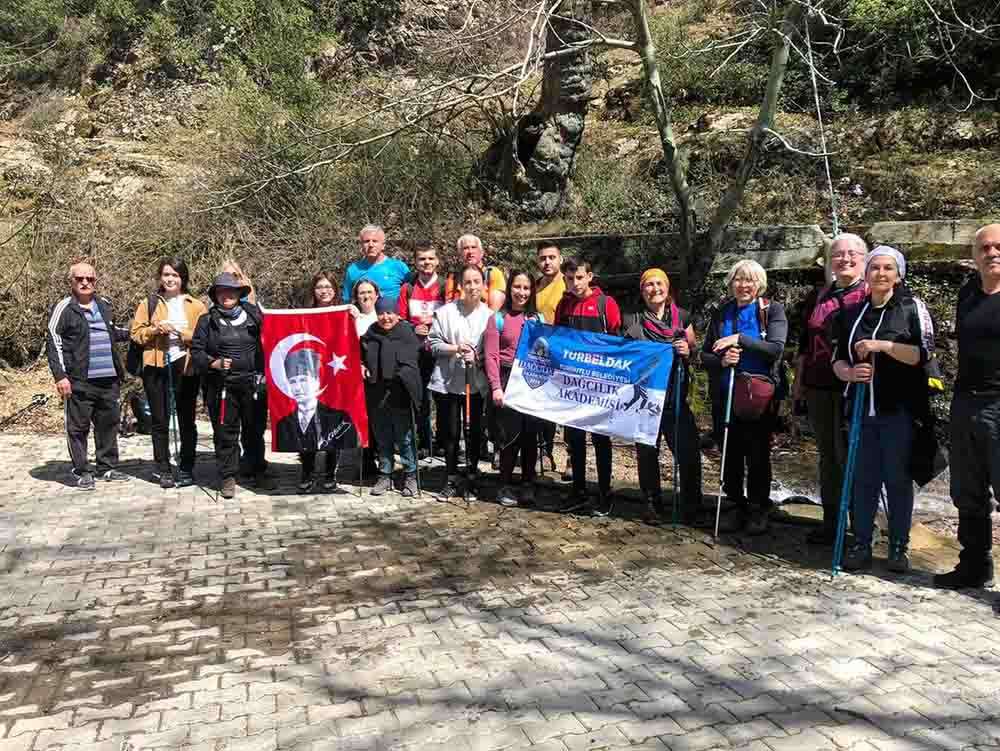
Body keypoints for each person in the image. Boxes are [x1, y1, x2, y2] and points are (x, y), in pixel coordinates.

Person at [832, 246, 934, 573]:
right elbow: (838, 358)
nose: (880, 273)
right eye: (874, 267)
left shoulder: (910, 308)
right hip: (861, 410)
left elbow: (922, 354)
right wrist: (848, 373)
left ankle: (898, 546)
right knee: (864, 479)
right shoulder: (850, 313)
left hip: (899, 408)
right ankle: (861, 542)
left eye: (888, 268)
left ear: (898, 274)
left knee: (897, 479)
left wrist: (883, 346)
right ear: (866, 274)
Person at [701, 259, 788, 535]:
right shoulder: (721, 313)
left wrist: (739, 339)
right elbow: (704, 356)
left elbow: (775, 349)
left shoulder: (771, 311)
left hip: (759, 397)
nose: (743, 285)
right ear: (731, 283)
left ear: (759, 284)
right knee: (730, 453)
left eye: (749, 280)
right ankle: (735, 504)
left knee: (758, 454)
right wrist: (723, 361)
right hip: (726, 394)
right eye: (738, 279)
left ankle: (759, 507)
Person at [793, 234, 869, 544]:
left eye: (853, 253)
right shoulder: (818, 296)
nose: (845, 259)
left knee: (854, 456)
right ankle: (832, 522)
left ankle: (862, 525)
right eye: (838, 254)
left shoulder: (870, 294)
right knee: (828, 457)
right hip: (819, 387)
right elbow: (804, 344)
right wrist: (798, 383)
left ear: (864, 259)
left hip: (856, 389)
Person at [935, 224, 1000, 589]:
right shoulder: (969, 293)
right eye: (984, 247)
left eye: (998, 246)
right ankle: (974, 565)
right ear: (974, 256)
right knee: (967, 490)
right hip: (966, 401)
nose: (992, 252)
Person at [622, 268, 703, 525]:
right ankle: (651, 503)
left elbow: (696, 352)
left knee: (688, 451)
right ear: (642, 290)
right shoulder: (631, 320)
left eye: (659, 283)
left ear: (667, 288)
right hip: (645, 398)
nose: (655, 288)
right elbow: (623, 356)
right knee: (647, 452)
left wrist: (686, 350)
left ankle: (692, 505)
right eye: (649, 284)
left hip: (675, 396)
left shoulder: (683, 318)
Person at [46, 262, 132, 490]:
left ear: (96, 281)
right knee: (78, 428)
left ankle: (107, 467)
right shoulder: (64, 308)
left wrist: (138, 333)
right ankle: (82, 470)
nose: (85, 283)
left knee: (108, 425)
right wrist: (60, 376)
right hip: (79, 381)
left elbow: (112, 331)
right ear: (71, 281)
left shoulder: (104, 305)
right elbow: (53, 342)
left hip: (108, 379)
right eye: (80, 279)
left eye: (90, 279)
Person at [191, 272, 274, 499]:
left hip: (253, 384)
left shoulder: (256, 316)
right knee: (226, 433)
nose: (226, 295)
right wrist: (213, 362)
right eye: (221, 291)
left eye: (231, 290)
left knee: (254, 431)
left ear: (239, 294)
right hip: (222, 387)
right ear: (216, 295)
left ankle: (257, 469)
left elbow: (275, 334)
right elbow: (197, 352)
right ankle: (228, 476)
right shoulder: (206, 321)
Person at [129, 257, 208, 489]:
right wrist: (156, 329)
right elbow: (136, 334)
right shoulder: (149, 302)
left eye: (175, 275)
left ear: (183, 278)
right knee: (160, 420)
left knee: (186, 419)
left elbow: (204, 338)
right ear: (160, 278)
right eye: (166, 275)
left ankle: (186, 467)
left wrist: (183, 333)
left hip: (186, 363)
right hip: (156, 364)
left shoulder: (197, 305)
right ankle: (163, 467)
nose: (170, 279)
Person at [554, 257, 623, 516]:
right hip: (573, 384)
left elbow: (619, 344)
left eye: (579, 277)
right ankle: (579, 491)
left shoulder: (607, 304)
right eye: (570, 278)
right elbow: (557, 340)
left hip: (601, 385)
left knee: (601, 439)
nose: (575, 283)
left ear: (590, 276)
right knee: (575, 439)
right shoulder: (564, 304)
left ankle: (605, 492)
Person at [428, 265, 493, 499]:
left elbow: (493, 351)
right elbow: (433, 343)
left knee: (474, 432)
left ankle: (473, 476)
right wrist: (455, 348)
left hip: (474, 383)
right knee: (451, 433)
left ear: (484, 285)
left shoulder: (489, 315)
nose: (472, 286)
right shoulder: (445, 312)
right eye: (468, 282)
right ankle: (452, 476)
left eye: (477, 281)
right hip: (447, 382)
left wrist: (477, 355)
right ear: (461, 286)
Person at [485, 270, 544, 507]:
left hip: (531, 380)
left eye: (526, 288)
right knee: (509, 437)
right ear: (509, 289)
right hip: (507, 378)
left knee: (531, 436)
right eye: (517, 287)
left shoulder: (538, 318)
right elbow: (491, 356)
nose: (521, 292)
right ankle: (505, 485)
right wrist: (496, 387)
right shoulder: (498, 318)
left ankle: (528, 483)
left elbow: (546, 353)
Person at [288, 272, 349, 493]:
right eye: (319, 287)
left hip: (336, 375)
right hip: (311, 374)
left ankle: (330, 472)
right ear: (313, 290)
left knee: (332, 423)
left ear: (335, 289)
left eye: (328, 286)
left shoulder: (345, 311)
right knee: (308, 424)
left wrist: (354, 314)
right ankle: (307, 470)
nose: (324, 291)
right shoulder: (305, 313)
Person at [362, 298, 423, 497]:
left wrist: (402, 376)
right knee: (382, 438)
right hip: (376, 393)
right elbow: (358, 357)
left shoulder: (407, 334)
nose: (386, 317)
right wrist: (362, 366)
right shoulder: (369, 335)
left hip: (400, 393)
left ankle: (411, 474)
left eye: (390, 313)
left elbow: (413, 363)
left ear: (397, 314)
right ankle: (385, 474)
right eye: (381, 313)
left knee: (404, 438)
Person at [396, 241, 446, 458]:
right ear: (415, 262)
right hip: (417, 351)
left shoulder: (446, 286)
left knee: (445, 398)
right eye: (422, 259)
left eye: (430, 258)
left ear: (437, 261)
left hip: (441, 350)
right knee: (421, 398)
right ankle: (424, 442)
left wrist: (434, 325)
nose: (426, 263)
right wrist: (415, 327)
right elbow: (400, 319)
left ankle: (445, 441)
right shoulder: (408, 288)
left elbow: (454, 315)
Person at [534, 241, 566, 474]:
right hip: (540, 354)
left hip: (566, 354)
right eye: (543, 258)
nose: (547, 262)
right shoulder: (534, 287)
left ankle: (574, 458)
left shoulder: (569, 283)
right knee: (543, 408)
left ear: (560, 259)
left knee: (569, 407)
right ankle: (544, 452)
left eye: (551, 257)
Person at [341, 225, 410, 306]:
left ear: (383, 245)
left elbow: (412, 293)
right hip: (365, 317)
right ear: (361, 245)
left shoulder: (399, 267)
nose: (370, 245)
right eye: (366, 241)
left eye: (375, 241)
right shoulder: (353, 270)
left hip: (393, 316)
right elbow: (347, 301)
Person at [445, 234, 506, 311]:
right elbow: (449, 309)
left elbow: (494, 311)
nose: (470, 252)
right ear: (460, 254)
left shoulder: (492, 273)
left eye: (473, 247)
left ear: (481, 253)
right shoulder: (453, 278)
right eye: (465, 248)